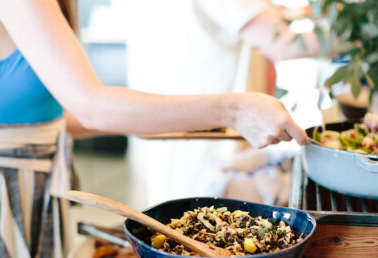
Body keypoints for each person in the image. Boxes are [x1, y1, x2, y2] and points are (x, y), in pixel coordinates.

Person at [0, 0, 307, 258]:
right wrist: (233, 110)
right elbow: (92, 106)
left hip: (32, 184)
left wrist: (160, 124)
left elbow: (47, 115)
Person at [124, 0, 320, 207]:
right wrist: (354, 35)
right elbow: (282, 44)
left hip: (179, 110)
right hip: (207, 124)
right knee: (205, 212)